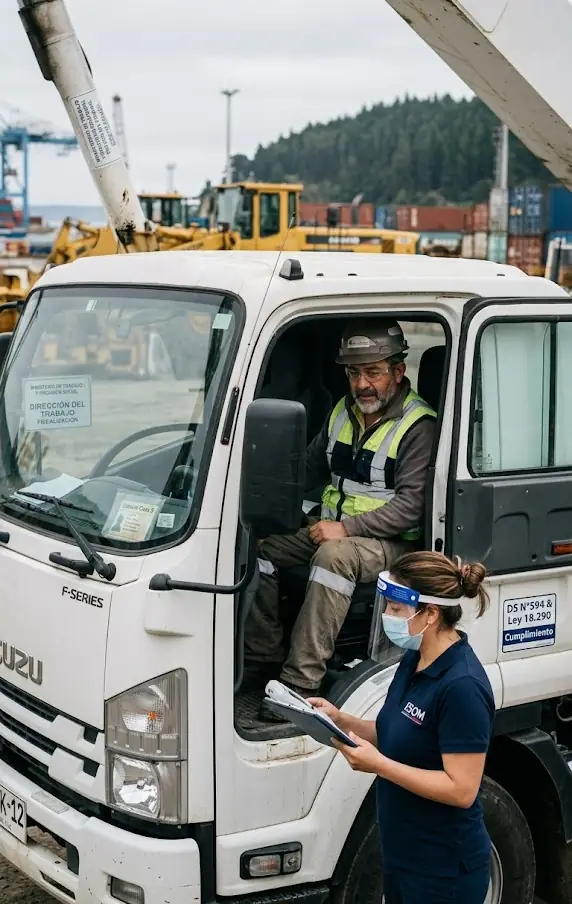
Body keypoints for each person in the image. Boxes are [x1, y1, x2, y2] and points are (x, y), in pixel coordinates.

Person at [243, 319, 436, 718]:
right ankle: (262, 656)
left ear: (398, 372)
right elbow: (308, 469)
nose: (362, 384)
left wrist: (346, 528)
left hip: (393, 543)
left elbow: (412, 507)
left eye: (373, 372)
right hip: (333, 531)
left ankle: (299, 684)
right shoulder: (342, 412)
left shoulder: (420, 426)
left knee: (333, 558)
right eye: (354, 373)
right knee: (258, 547)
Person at [310, 551, 495, 904]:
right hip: (403, 857)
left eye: (396, 609)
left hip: (443, 871)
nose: (385, 616)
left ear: (430, 614)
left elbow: (462, 789)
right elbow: (401, 734)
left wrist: (379, 765)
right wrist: (341, 720)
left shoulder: (462, 687)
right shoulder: (414, 659)